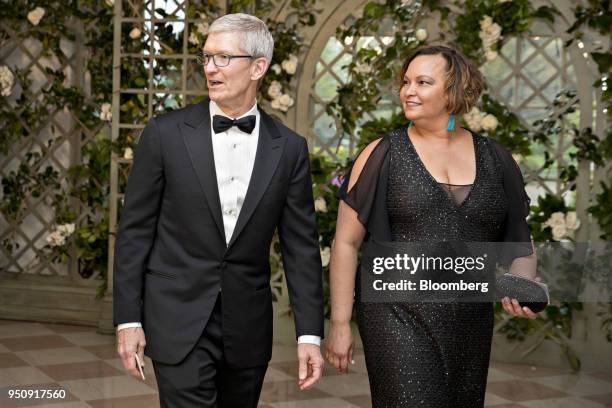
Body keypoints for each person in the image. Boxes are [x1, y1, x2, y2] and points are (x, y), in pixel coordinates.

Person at [113, 13, 324, 408]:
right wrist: (129, 320)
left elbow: (301, 247)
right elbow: (134, 233)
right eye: (207, 57)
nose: (210, 68)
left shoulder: (289, 148)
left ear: (258, 67)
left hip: (247, 326)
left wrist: (309, 335)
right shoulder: (165, 134)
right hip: (176, 317)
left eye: (223, 58)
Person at [324, 45, 539, 407]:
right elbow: (345, 243)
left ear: (454, 90)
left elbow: (521, 245)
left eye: (423, 82)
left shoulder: (497, 158)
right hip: (396, 314)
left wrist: (521, 285)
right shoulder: (382, 154)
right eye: (406, 82)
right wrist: (341, 324)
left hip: (470, 322)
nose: (408, 91)